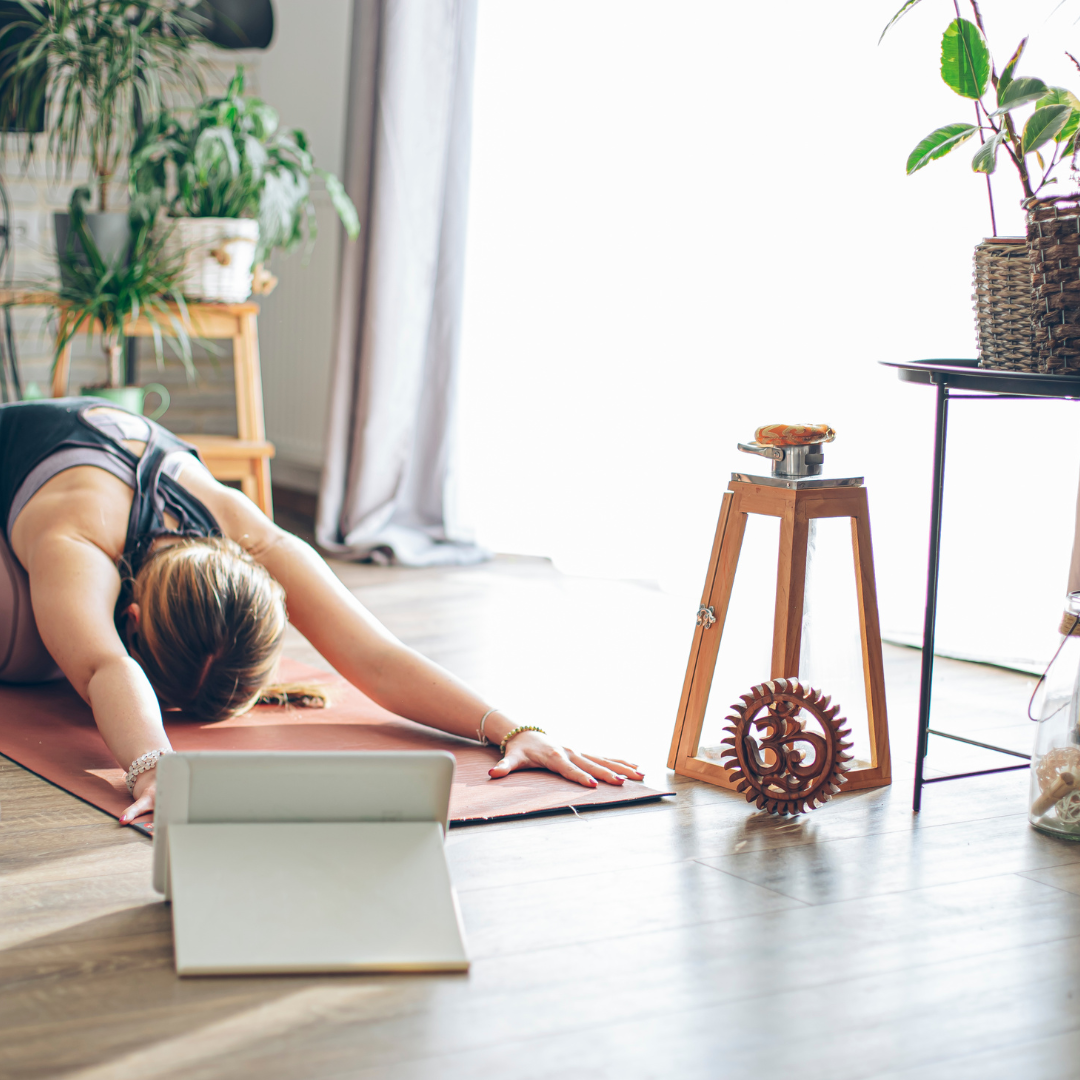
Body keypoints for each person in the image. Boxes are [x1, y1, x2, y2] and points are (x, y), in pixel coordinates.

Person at [0, 398, 643, 823]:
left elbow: (377, 658)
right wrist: (153, 766)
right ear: (132, 617)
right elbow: (103, 666)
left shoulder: (256, 538)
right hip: (37, 481)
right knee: (36, 648)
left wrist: (512, 729)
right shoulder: (76, 536)